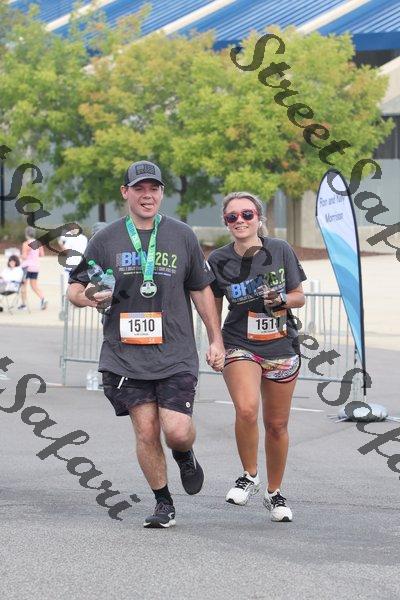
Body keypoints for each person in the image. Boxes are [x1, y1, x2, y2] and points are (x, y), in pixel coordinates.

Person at [68, 160, 225, 529]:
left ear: (162, 193)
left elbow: (200, 289)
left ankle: (184, 454)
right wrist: (91, 298)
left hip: (175, 351)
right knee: (146, 431)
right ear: (126, 192)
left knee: (177, 430)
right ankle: (163, 502)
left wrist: (215, 338)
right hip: (124, 355)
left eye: (153, 188)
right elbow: (75, 289)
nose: (147, 195)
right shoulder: (105, 239)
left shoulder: (182, 235)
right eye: (139, 188)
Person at [207, 191, 306, 522]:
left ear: (259, 218)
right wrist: (215, 342)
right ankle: (249, 476)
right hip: (240, 343)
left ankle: (274, 493)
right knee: (247, 408)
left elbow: (299, 296)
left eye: (247, 214)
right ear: (225, 222)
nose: (240, 221)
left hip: (280, 345)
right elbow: (212, 306)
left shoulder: (280, 249)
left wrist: (282, 300)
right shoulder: (218, 260)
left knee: (276, 425)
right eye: (232, 216)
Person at [19, 226, 48, 310]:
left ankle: (23, 305)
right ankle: (43, 298)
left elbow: (24, 257)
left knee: (23, 286)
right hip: (35, 267)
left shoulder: (26, 244)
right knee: (34, 286)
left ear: (26, 234)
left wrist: (19, 256)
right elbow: (42, 255)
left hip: (26, 267)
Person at [58, 227, 88, 292]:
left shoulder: (71, 238)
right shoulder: (84, 238)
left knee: (66, 285)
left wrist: (60, 243)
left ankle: (66, 296)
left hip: (70, 264)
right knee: (78, 285)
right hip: (80, 264)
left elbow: (65, 251)